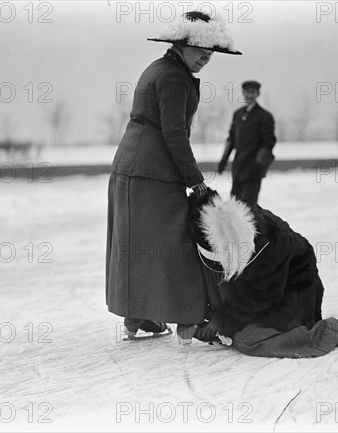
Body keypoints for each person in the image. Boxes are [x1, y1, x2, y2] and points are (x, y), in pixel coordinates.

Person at [105, 11, 241, 346]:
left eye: (212, 52)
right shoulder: (174, 78)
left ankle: (139, 316)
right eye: (201, 49)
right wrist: (195, 180)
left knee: (138, 245)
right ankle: (189, 320)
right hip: (153, 170)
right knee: (176, 243)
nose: (207, 57)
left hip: (132, 165)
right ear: (182, 43)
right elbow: (174, 134)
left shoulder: (160, 68)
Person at [187, 188, 338, 358]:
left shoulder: (268, 244)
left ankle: (331, 332)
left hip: (292, 291)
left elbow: (263, 295)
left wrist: (222, 321)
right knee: (228, 330)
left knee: (247, 339)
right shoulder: (212, 226)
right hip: (256, 293)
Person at [217, 80, 276, 205]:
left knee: (248, 207)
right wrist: (224, 160)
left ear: (258, 94)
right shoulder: (238, 114)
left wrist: (257, 165)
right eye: (246, 92)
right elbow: (231, 139)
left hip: (253, 169)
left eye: (252, 92)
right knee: (234, 205)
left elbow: (268, 142)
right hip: (238, 167)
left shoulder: (265, 116)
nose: (249, 95)